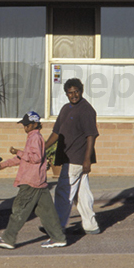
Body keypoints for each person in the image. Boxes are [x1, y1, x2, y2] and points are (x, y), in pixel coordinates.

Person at [0, 112, 67, 249]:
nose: (25, 127)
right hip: (39, 182)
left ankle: (8, 238)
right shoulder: (33, 137)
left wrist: (17, 152)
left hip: (31, 181)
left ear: (35, 124)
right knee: (47, 212)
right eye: (24, 125)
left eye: (27, 125)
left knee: (19, 209)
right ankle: (58, 238)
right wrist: (5, 164)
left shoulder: (35, 137)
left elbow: (35, 158)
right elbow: (25, 158)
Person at [44, 78, 101, 235]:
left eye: (76, 91)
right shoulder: (65, 109)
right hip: (68, 157)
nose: (74, 95)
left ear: (81, 90)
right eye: (70, 92)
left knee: (64, 191)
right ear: (66, 94)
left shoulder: (86, 110)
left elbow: (91, 135)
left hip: (77, 158)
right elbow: (56, 132)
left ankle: (56, 227)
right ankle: (91, 225)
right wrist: (43, 148)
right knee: (82, 193)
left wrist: (87, 159)